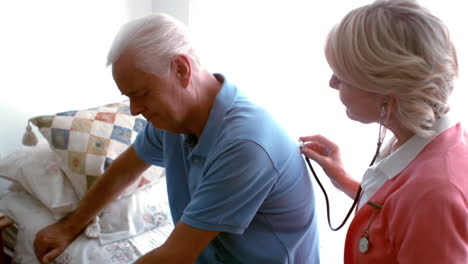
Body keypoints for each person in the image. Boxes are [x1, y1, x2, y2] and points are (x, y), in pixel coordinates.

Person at [33, 13, 320, 263]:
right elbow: (126, 169)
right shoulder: (174, 121)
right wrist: (69, 226)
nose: (134, 110)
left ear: (181, 69)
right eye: (128, 98)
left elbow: (175, 256)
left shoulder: (245, 144)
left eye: (140, 94)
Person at [300, 0, 467, 263]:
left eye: (342, 75)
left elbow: (419, 210)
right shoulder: (424, 138)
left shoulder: (434, 197)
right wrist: (345, 181)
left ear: (386, 92)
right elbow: (399, 220)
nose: (332, 83)